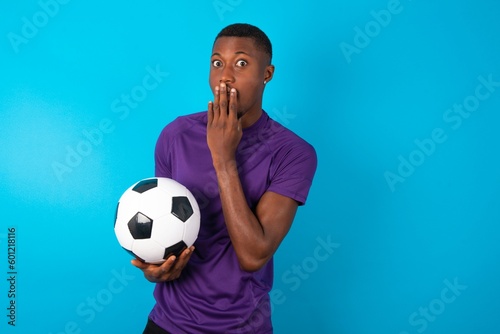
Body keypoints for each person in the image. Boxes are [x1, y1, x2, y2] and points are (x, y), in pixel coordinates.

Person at [132, 23, 317, 334]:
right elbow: (164, 230)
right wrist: (156, 269)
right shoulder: (175, 135)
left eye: (241, 63)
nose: (225, 76)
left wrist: (223, 157)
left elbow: (253, 254)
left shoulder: (293, 153)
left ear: (267, 74)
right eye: (217, 63)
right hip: (169, 323)